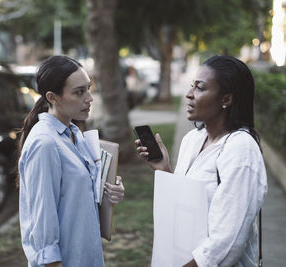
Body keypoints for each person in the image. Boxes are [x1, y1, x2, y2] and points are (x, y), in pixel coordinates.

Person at [136, 55, 267, 267]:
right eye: (191, 86)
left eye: (200, 88)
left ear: (226, 99)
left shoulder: (241, 149)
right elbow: (185, 206)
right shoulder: (193, 140)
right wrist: (164, 170)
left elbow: (227, 242)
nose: (188, 94)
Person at [17, 55, 125, 267]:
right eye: (79, 92)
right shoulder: (45, 143)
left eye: (88, 88)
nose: (89, 98)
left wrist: (110, 191)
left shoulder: (73, 133)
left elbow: (78, 195)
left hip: (86, 255)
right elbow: (43, 225)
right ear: (52, 97)